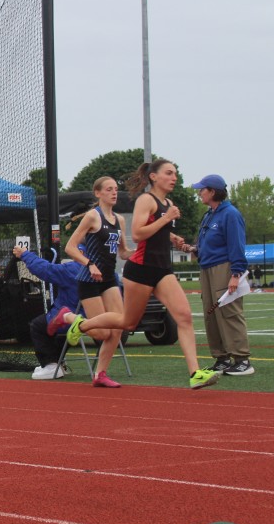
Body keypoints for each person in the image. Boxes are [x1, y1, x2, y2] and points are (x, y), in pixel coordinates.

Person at [50, 159, 221, 390]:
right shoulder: (144, 201)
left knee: (183, 316)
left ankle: (195, 373)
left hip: (156, 270)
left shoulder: (163, 205)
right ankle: (77, 323)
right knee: (123, 324)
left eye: (175, 173)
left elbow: (128, 248)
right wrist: (89, 264)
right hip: (135, 272)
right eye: (169, 173)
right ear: (154, 177)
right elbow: (138, 234)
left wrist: (172, 237)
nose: (174, 177)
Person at [61, 177, 131, 388]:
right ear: (98, 193)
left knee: (119, 326)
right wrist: (89, 264)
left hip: (109, 279)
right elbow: (70, 247)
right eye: (109, 189)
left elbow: (123, 252)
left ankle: (100, 374)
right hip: (89, 279)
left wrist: (143, 252)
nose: (114, 193)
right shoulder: (93, 216)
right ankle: (70, 318)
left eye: (116, 189)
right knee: (102, 333)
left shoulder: (120, 220)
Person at [187, 174, 253, 376]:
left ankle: (242, 360)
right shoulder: (210, 214)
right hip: (207, 268)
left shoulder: (230, 214)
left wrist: (236, 273)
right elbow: (209, 244)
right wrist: (194, 249)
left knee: (229, 312)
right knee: (211, 313)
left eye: (202, 189)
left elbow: (237, 245)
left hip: (224, 268)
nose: (199, 193)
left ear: (213, 191)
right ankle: (221, 358)